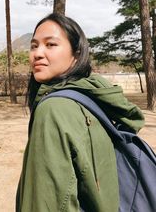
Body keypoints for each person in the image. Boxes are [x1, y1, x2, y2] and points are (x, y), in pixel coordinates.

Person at [16, 13, 144, 212]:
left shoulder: (53, 110)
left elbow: (46, 202)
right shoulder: (92, 95)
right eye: (34, 45)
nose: (37, 54)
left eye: (51, 45)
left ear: (76, 54)